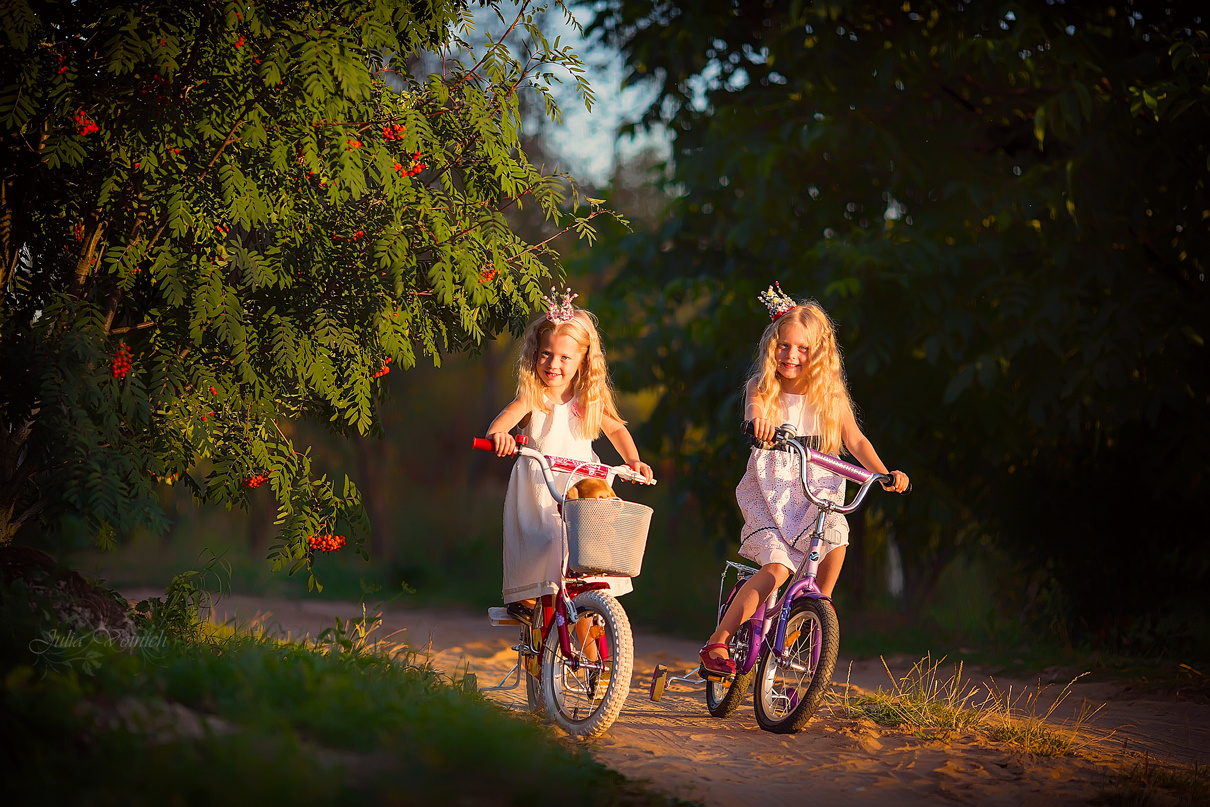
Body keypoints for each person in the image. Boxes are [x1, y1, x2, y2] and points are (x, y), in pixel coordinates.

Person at [698, 284, 910, 677]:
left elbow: (856, 440)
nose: (791, 356)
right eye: (783, 346)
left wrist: (882, 472)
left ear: (819, 355)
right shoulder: (763, 388)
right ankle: (719, 641)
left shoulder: (831, 396)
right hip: (771, 489)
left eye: (803, 349)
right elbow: (755, 407)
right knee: (777, 567)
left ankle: (812, 610)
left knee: (837, 537)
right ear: (771, 347)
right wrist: (760, 422)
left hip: (817, 489)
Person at [486, 288, 654, 623]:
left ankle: (595, 666)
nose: (553, 364)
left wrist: (633, 459)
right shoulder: (535, 395)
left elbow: (617, 430)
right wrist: (500, 436)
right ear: (536, 352)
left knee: (592, 554)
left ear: (582, 361)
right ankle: (532, 604)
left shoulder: (587, 399)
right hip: (541, 486)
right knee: (549, 541)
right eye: (546, 354)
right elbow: (501, 422)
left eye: (565, 357)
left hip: (580, 485)